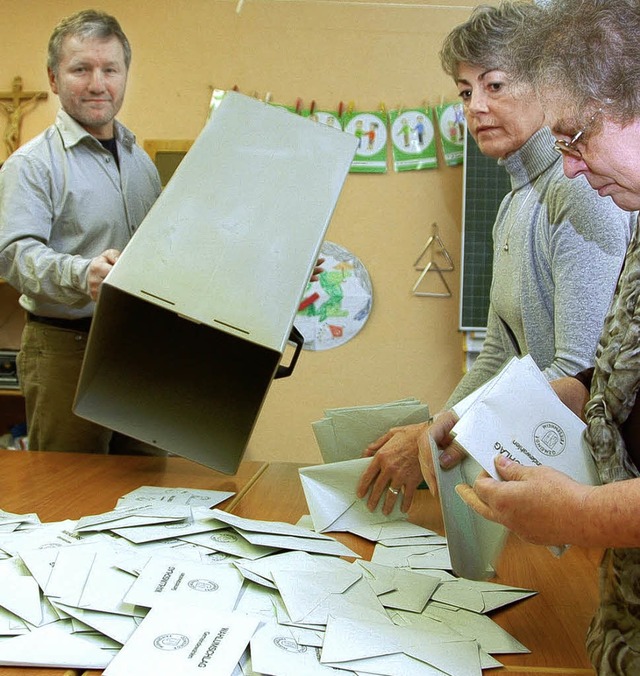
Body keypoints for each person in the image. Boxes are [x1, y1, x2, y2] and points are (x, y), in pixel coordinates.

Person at [425, 0, 640, 672]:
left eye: (576, 136)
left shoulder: (592, 198)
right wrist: (520, 406)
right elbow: (599, 377)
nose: (570, 165)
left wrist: (578, 514)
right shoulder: (589, 202)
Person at [356, 2, 636, 516]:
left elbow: (580, 370)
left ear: (547, 85)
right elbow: (496, 354)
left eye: (495, 85)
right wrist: (443, 428)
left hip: (585, 484)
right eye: (465, 93)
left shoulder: (581, 190)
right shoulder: (513, 204)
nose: (475, 107)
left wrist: (459, 429)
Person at [0, 10, 163, 454]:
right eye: (81, 69)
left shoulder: (140, 162)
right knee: (69, 495)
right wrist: (80, 273)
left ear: (125, 75)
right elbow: (13, 255)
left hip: (138, 349)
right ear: (53, 79)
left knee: (147, 489)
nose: (98, 84)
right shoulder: (31, 165)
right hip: (65, 351)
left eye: (110, 69)